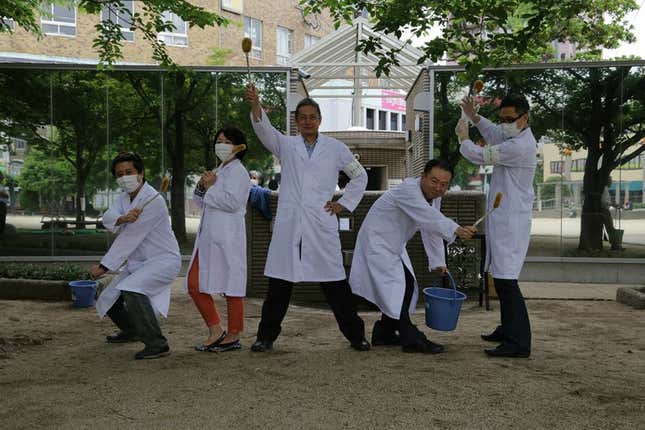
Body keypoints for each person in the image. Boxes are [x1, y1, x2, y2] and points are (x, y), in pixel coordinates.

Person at [246, 84, 371, 352]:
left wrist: (344, 204)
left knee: (335, 281)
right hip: (291, 223)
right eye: (302, 117)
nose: (307, 121)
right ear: (296, 121)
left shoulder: (336, 148)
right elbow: (264, 129)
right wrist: (256, 104)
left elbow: (360, 176)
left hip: (321, 221)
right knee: (280, 282)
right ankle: (265, 337)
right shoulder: (287, 145)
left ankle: (356, 335)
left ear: (320, 120)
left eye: (312, 117)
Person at [350, 159, 476, 354]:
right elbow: (429, 217)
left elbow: (430, 227)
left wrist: (438, 262)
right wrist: (457, 229)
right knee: (399, 287)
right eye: (434, 181)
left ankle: (384, 332)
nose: (438, 187)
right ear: (423, 177)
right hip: (376, 242)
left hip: (393, 244)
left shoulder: (434, 197)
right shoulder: (408, 190)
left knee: (406, 285)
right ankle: (411, 338)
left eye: (444, 184)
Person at [456, 93, 536, 358]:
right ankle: (508, 329)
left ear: (524, 118)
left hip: (512, 222)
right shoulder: (513, 135)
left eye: (509, 119)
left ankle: (518, 342)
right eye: (502, 119)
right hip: (504, 219)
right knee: (501, 279)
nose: (503, 124)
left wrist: (463, 137)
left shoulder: (520, 146)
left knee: (506, 281)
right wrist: (475, 116)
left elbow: (482, 155)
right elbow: (493, 133)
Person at [89, 152, 181, 360]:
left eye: (129, 172)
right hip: (138, 263)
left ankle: (157, 343)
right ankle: (132, 330)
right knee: (107, 296)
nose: (124, 177)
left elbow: (130, 237)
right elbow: (108, 217)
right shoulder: (123, 198)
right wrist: (122, 218)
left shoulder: (153, 201)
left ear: (141, 173)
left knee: (131, 289)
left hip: (162, 260)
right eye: (119, 174)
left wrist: (104, 267)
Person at [186, 127, 251, 352]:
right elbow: (200, 202)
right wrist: (202, 186)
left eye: (226, 141)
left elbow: (233, 203)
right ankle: (215, 329)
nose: (221, 144)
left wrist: (211, 187)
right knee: (194, 284)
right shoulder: (219, 169)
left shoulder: (239, 172)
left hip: (228, 236)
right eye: (218, 141)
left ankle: (233, 335)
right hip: (208, 237)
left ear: (237, 146)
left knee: (232, 284)